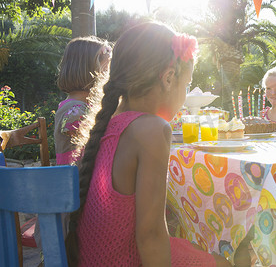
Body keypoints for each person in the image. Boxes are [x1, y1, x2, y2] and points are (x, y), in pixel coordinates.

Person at [64, 22, 231, 267]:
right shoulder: (152, 130)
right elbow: (150, 236)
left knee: (193, 247)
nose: (184, 97)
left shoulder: (110, 124)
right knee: (224, 262)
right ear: (168, 78)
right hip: (124, 260)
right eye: (186, 85)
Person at [54, 36, 111, 166]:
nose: (109, 77)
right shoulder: (76, 110)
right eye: (107, 70)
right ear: (92, 71)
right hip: (77, 181)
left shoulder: (78, 105)